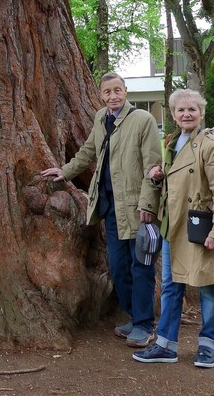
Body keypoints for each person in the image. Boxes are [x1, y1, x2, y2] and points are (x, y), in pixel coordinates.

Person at [41, 72, 162, 347]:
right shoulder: (100, 118)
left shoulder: (143, 120)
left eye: (117, 90)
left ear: (126, 90)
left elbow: (153, 167)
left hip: (136, 208)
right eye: (107, 92)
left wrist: (148, 205)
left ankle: (145, 324)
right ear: (101, 95)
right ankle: (134, 316)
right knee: (119, 269)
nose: (113, 96)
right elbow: (88, 151)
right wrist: (65, 170)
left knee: (141, 267)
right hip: (109, 208)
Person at [133, 88, 214, 368]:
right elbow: (172, 185)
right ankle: (166, 345)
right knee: (170, 286)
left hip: (200, 229)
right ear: (173, 114)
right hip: (173, 227)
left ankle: (208, 346)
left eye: (192, 109)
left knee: (207, 287)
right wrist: (157, 177)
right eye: (180, 110)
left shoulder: (210, 145)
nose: (186, 114)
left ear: (201, 113)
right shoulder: (170, 143)